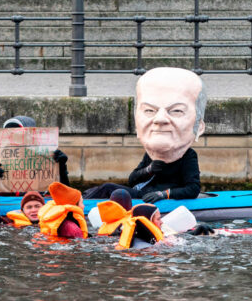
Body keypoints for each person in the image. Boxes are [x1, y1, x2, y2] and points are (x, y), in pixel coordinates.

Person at [84, 67, 206, 203]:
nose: (160, 120)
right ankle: (79, 200)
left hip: (159, 199)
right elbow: (132, 180)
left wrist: (163, 194)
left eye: (176, 111)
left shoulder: (188, 156)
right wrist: (148, 169)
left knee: (110, 189)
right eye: (149, 110)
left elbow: (193, 188)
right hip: (142, 194)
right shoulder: (152, 153)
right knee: (108, 188)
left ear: (199, 127)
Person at [0, 115, 69, 192]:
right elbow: (7, 182)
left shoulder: (47, 158)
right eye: (9, 133)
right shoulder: (5, 154)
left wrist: (62, 169)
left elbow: (65, 194)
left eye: (18, 133)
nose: (13, 137)